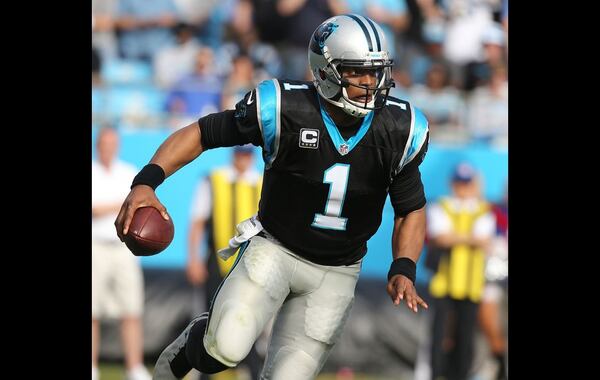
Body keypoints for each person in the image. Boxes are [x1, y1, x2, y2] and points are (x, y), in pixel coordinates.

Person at [115, 14, 430, 380]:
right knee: (223, 348)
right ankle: (190, 348)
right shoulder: (285, 109)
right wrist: (146, 182)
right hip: (275, 248)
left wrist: (404, 266)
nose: (369, 83)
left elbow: (411, 209)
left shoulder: (397, 128)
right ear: (326, 71)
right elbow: (202, 133)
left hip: (337, 271)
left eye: (376, 72)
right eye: (357, 72)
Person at [187, 144, 264, 380]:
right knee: (210, 318)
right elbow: (197, 222)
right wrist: (193, 258)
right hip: (217, 259)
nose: (243, 159)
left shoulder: (261, 182)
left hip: (251, 261)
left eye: (247, 154)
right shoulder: (214, 180)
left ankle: (252, 371)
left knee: (248, 317)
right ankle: (204, 372)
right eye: (240, 154)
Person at [426, 162, 496, 380]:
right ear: (452, 184)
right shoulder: (442, 206)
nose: (462, 188)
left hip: (471, 284)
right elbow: (440, 236)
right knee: (439, 336)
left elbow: (485, 241)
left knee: (465, 337)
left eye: (466, 183)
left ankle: (460, 375)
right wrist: (470, 238)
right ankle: (437, 374)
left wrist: (456, 237)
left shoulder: (483, 209)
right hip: (444, 283)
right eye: (459, 183)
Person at [92, 127, 152, 380]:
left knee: (131, 308)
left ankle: (134, 366)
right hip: (96, 245)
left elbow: (138, 208)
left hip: (123, 247)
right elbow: (96, 210)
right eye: (103, 143)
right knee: (92, 310)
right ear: (98, 145)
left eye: (111, 143)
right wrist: (121, 204)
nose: (107, 147)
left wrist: (118, 206)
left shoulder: (129, 173)